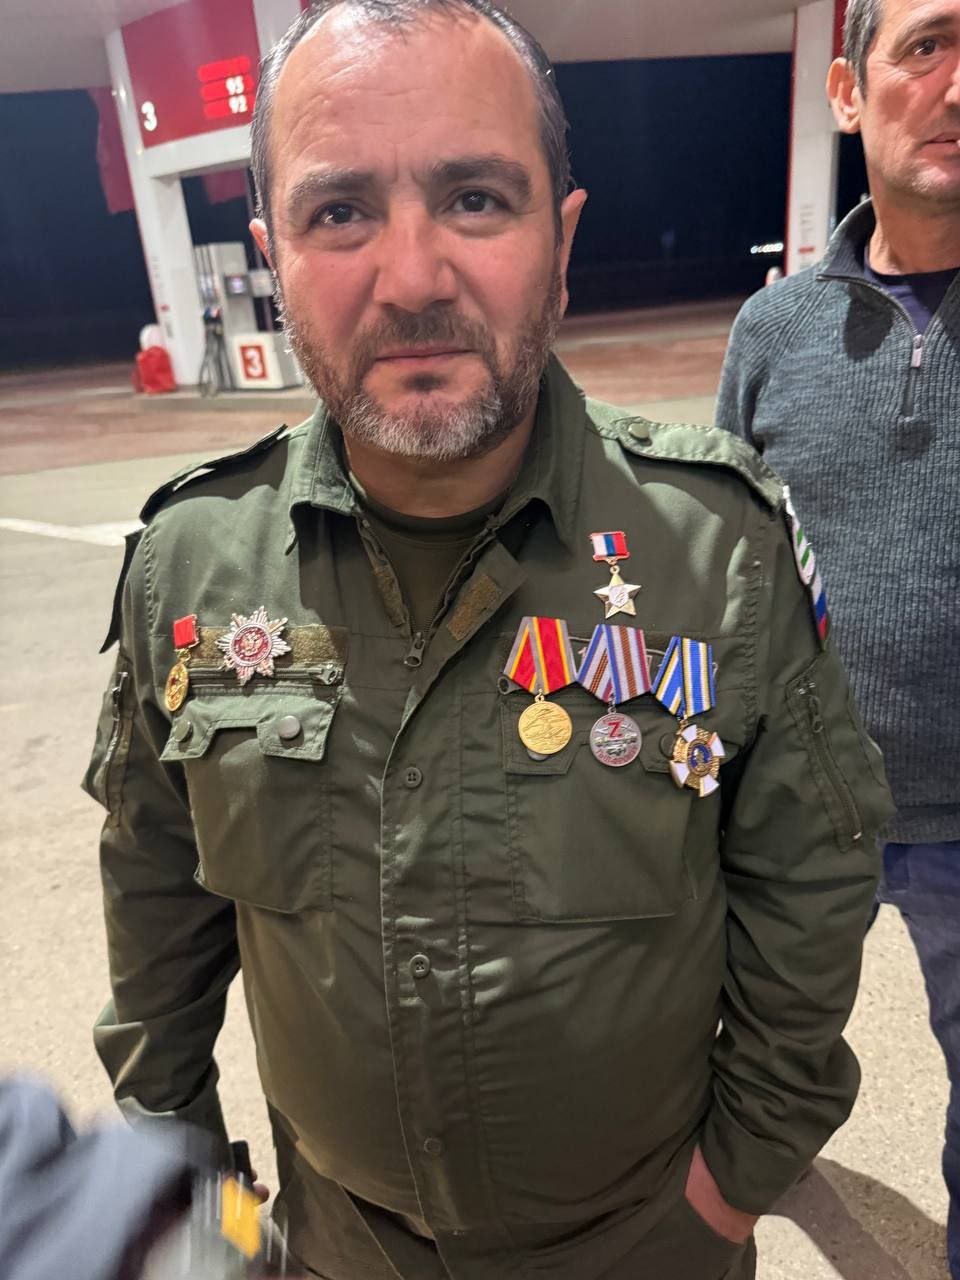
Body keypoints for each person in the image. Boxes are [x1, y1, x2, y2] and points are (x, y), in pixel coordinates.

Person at [84, 3, 892, 1277]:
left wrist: (730, 1187)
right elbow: (154, 906)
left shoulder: (716, 549)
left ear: (560, 243)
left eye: (474, 199)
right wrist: (190, 1193)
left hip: (648, 1246)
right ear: (275, 256)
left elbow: (811, 890)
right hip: (333, 1246)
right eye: (340, 211)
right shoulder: (191, 565)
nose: (412, 278)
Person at [716, 0, 960, 1275]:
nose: (958, 84)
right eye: (928, 44)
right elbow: (724, 561)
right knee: (735, 1051)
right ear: (850, 91)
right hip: (805, 812)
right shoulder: (774, 334)